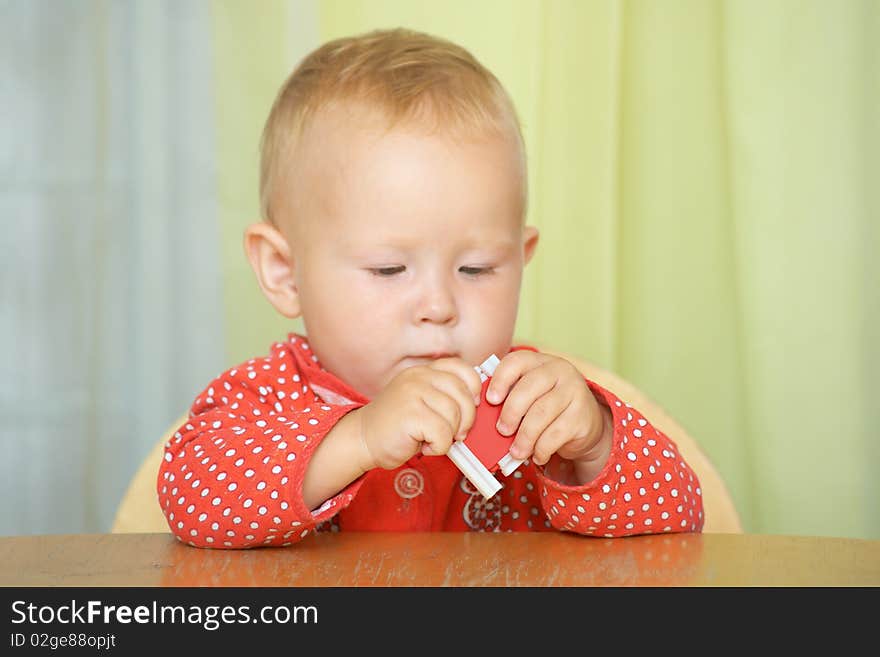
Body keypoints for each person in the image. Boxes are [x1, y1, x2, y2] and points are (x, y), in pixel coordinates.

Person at [158, 27, 704, 548]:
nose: (439, 307)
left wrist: (594, 441)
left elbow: (679, 527)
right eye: (389, 270)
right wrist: (362, 438)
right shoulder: (263, 398)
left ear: (520, 259)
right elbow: (192, 502)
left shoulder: (531, 407)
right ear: (283, 271)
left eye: (477, 269)